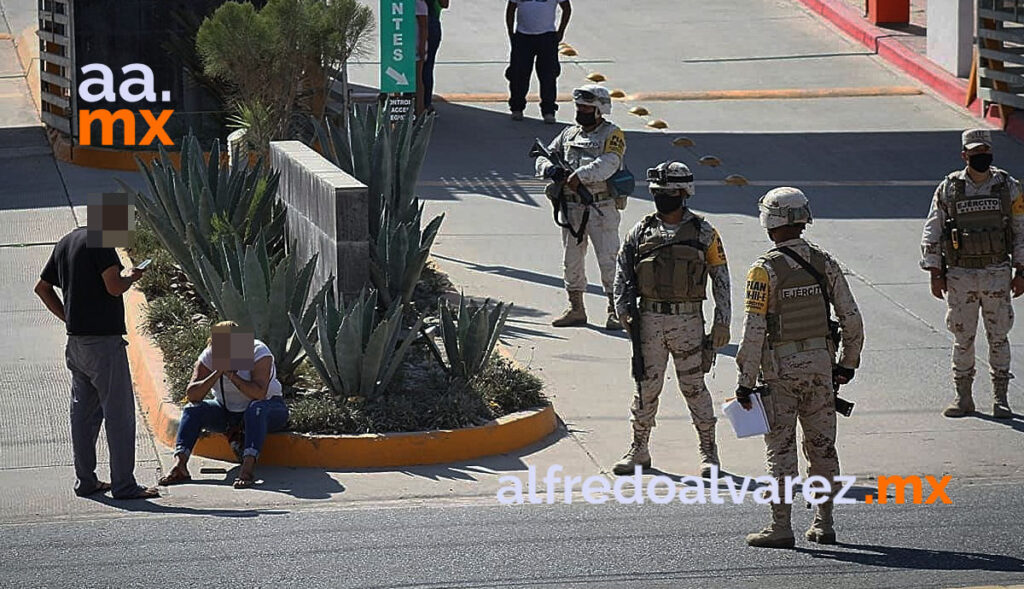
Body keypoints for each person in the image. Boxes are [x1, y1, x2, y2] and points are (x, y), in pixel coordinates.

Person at [735, 187, 864, 548]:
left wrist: (745, 382)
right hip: (822, 371)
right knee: (822, 446)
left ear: (770, 222)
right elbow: (852, 320)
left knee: (781, 448)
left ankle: (781, 526)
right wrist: (846, 365)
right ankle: (824, 523)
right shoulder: (826, 263)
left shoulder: (763, 271)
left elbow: (753, 330)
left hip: (779, 374)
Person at [33, 195, 160, 500]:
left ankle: (86, 480)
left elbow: (42, 288)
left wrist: (68, 318)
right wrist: (130, 276)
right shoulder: (101, 244)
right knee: (118, 414)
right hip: (104, 344)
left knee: (83, 415)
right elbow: (113, 286)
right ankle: (124, 485)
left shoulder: (67, 241)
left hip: (76, 343)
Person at [611, 161, 732, 477]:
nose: (661, 197)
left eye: (667, 192)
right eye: (656, 192)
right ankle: (639, 449)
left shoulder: (705, 232)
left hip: (688, 321)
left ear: (683, 193)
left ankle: (709, 452)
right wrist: (622, 309)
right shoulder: (641, 230)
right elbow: (622, 272)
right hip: (649, 319)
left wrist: (723, 322)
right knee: (645, 387)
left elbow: (721, 278)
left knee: (694, 387)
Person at [921, 128, 1024, 419]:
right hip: (960, 275)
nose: (981, 157)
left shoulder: (1007, 186)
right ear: (964, 155)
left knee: (999, 337)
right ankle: (963, 397)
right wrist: (934, 271)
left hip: (997, 274)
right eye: (975, 153)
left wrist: (1022, 270)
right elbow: (933, 228)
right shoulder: (949, 188)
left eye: (984, 152)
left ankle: (1000, 398)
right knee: (962, 338)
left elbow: (1020, 229)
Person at [535, 84, 626, 330]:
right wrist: (549, 169)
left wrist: (579, 175)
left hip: (600, 207)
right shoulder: (568, 134)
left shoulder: (612, 134)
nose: (581, 111)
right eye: (579, 107)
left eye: (586, 107)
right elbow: (543, 155)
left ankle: (615, 310)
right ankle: (576, 308)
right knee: (571, 260)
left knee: (609, 260)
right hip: (571, 208)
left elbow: (610, 163)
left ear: (599, 109)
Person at [157, 321, 289, 489]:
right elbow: (192, 395)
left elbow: (259, 394)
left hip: (268, 408)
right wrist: (218, 371)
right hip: (227, 412)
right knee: (193, 410)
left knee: (256, 408)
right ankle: (180, 465)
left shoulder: (258, 352)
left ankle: (247, 468)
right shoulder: (210, 355)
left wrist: (232, 375)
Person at [505, 0, 571, 123]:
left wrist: (561, 31)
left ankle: (548, 111)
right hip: (523, 37)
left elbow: (567, 9)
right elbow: (511, 9)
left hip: (547, 37)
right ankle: (517, 108)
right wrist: (511, 33)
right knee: (518, 74)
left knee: (548, 75)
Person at [422, 0, 450, 113]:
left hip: (414, 21)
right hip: (432, 23)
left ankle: (411, 101)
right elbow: (444, 4)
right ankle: (425, 104)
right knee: (428, 66)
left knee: (414, 66)